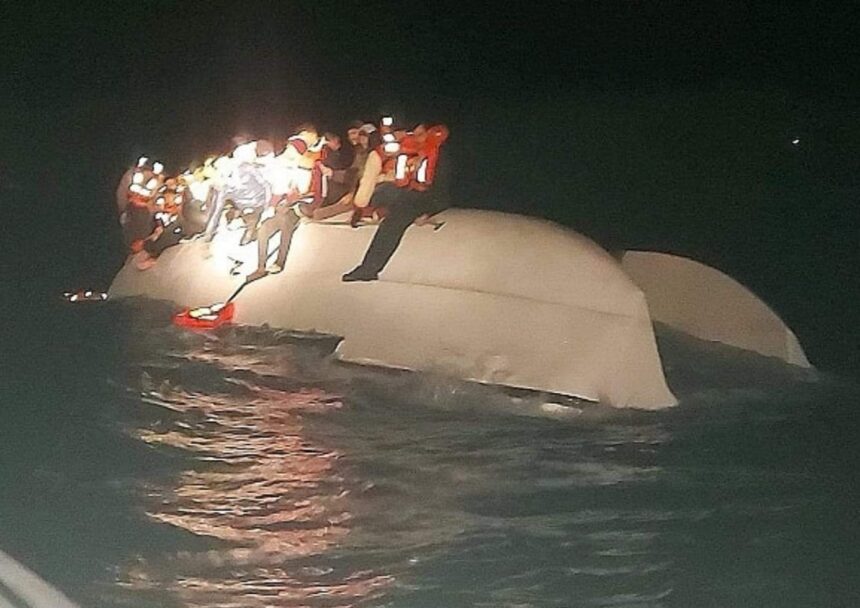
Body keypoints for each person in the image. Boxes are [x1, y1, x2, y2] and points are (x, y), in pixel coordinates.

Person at [342, 123, 450, 282]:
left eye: (420, 134)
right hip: (408, 192)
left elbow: (444, 191)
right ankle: (368, 211)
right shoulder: (414, 150)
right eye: (414, 134)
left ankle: (369, 269)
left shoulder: (440, 155)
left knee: (392, 224)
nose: (415, 137)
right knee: (383, 192)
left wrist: (429, 212)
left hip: (424, 198)